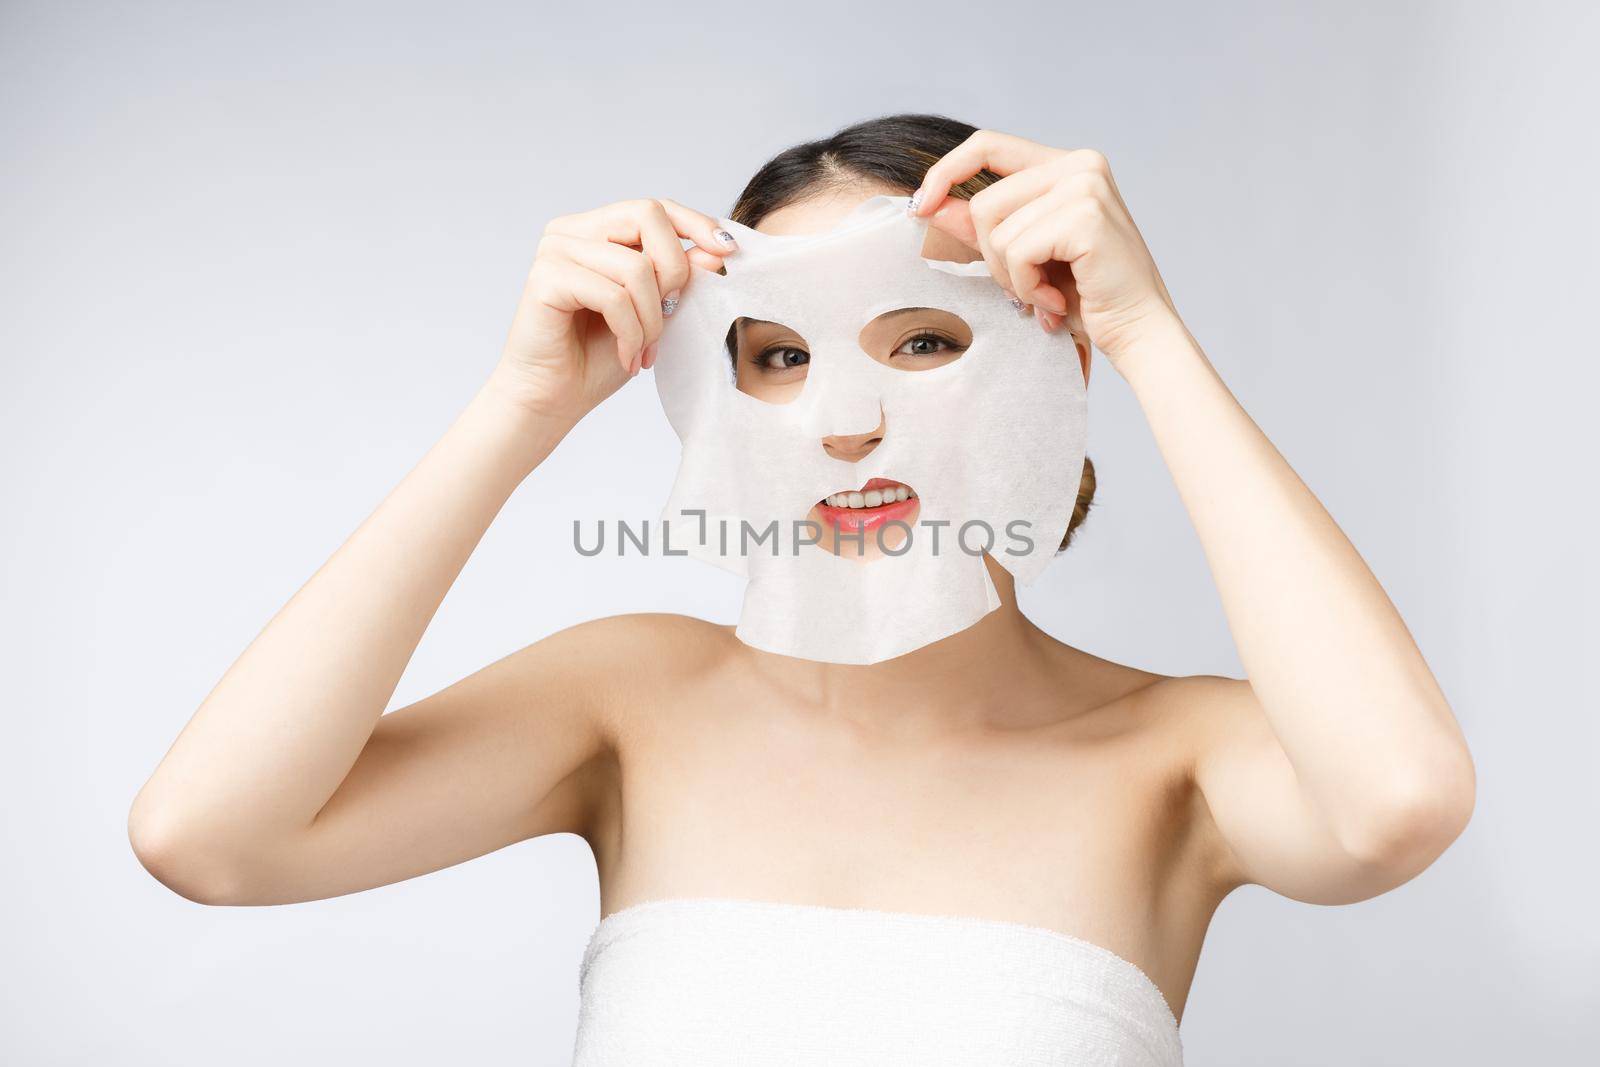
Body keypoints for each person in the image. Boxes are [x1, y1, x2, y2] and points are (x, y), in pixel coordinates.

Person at [128, 114, 1476, 1062]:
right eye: (777, 355)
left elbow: (1398, 802)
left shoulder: (1174, 757)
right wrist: (522, 403)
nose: (845, 424)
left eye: (926, 339)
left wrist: (1144, 332)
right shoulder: (630, 700)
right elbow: (210, 837)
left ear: (1045, 363)